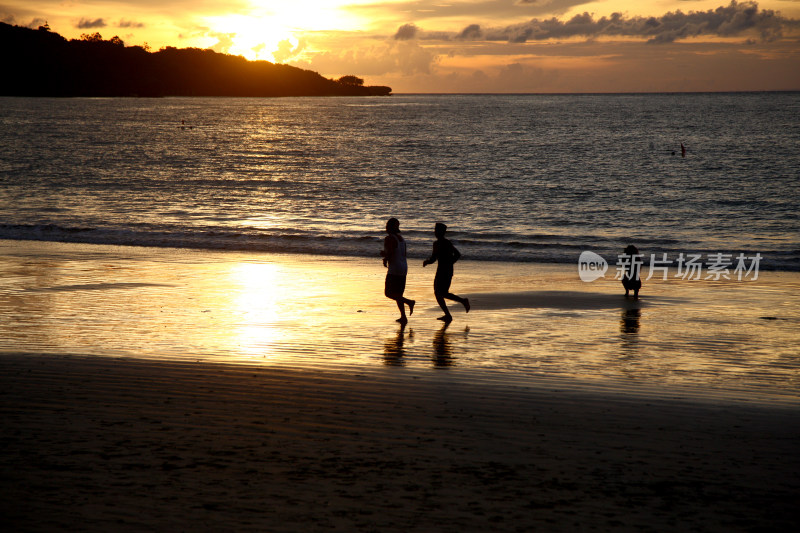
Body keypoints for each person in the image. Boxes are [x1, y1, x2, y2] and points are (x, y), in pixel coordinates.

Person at [423, 222, 470, 322]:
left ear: (441, 232)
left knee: (440, 293)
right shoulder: (447, 242)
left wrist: (427, 262)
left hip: (442, 271)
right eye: (435, 230)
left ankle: (461, 302)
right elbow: (457, 254)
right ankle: (449, 313)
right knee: (441, 293)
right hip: (447, 270)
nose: (435, 232)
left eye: (436, 230)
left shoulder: (437, 243)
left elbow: (433, 259)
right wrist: (450, 263)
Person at [380, 217, 415, 323]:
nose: (386, 227)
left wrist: (384, 256)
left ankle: (409, 302)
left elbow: (390, 253)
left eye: (387, 225)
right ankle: (403, 317)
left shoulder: (389, 238)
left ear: (389, 227)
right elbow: (403, 254)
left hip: (395, 268)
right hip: (404, 267)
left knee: (389, 293)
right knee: (398, 294)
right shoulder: (401, 239)